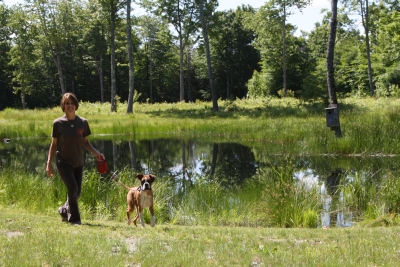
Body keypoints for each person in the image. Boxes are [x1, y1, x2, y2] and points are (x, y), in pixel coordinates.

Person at [46, 93, 104, 225]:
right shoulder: (58, 123)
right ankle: (75, 219)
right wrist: (49, 163)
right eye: (67, 103)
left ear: (76, 105)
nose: (70, 105)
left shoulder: (82, 122)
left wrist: (96, 153)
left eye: (72, 103)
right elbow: (54, 144)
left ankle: (63, 210)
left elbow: (85, 142)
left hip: (78, 163)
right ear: (63, 106)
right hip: (63, 162)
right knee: (72, 188)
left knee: (76, 193)